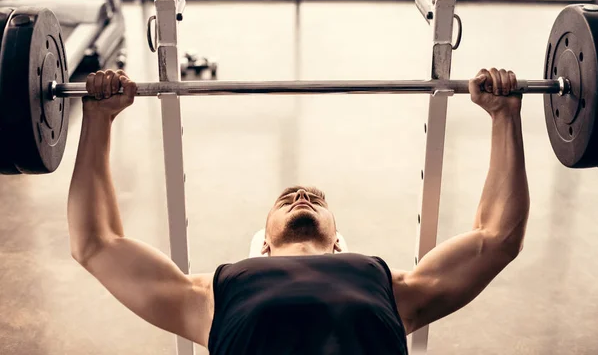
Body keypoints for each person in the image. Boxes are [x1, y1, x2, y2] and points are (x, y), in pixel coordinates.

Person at [68, 68, 529, 354]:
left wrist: (505, 115)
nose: (301, 197)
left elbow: (497, 238)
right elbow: (96, 244)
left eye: (315, 199)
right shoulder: (214, 294)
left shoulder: (389, 285)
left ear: (338, 241)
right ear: (263, 243)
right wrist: (97, 120)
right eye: (287, 198)